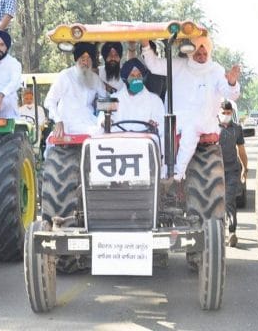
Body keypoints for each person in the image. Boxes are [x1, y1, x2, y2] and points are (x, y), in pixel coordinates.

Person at [141, 36, 240, 181]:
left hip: (203, 120)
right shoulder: (179, 65)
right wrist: (145, 45)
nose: (201, 57)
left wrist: (232, 82)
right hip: (176, 119)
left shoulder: (216, 70)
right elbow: (154, 65)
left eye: (204, 54)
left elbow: (230, 93)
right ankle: (160, 173)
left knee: (191, 129)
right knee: (160, 132)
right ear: (190, 53)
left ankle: (178, 173)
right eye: (198, 54)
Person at [44, 42, 107, 137]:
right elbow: (49, 101)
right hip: (68, 125)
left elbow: (105, 102)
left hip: (90, 122)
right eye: (83, 59)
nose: (86, 62)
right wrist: (58, 120)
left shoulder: (95, 79)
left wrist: (102, 119)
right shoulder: (65, 76)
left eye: (89, 59)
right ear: (76, 59)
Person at [105, 58, 165, 153]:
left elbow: (161, 125)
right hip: (118, 148)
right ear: (125, 79)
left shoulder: (155, 100)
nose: (136, 79)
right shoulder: (111, 98)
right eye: (132, 76)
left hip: (145, 148)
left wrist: (155, 125)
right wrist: (104, 122)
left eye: (139, 75)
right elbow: (100, 120)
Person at [218, 100, 248, 248]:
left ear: (232, 113)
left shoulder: (237, 129)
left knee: (229, 200)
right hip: (215, 171)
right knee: (217, 202)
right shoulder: (211, 128)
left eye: (228, 113)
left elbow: (241, 150)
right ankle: (216, 232)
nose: (226, 116)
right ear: (219, 113)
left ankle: (232, 232)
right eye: (223, 113)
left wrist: (245, 168)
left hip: (232, 170)